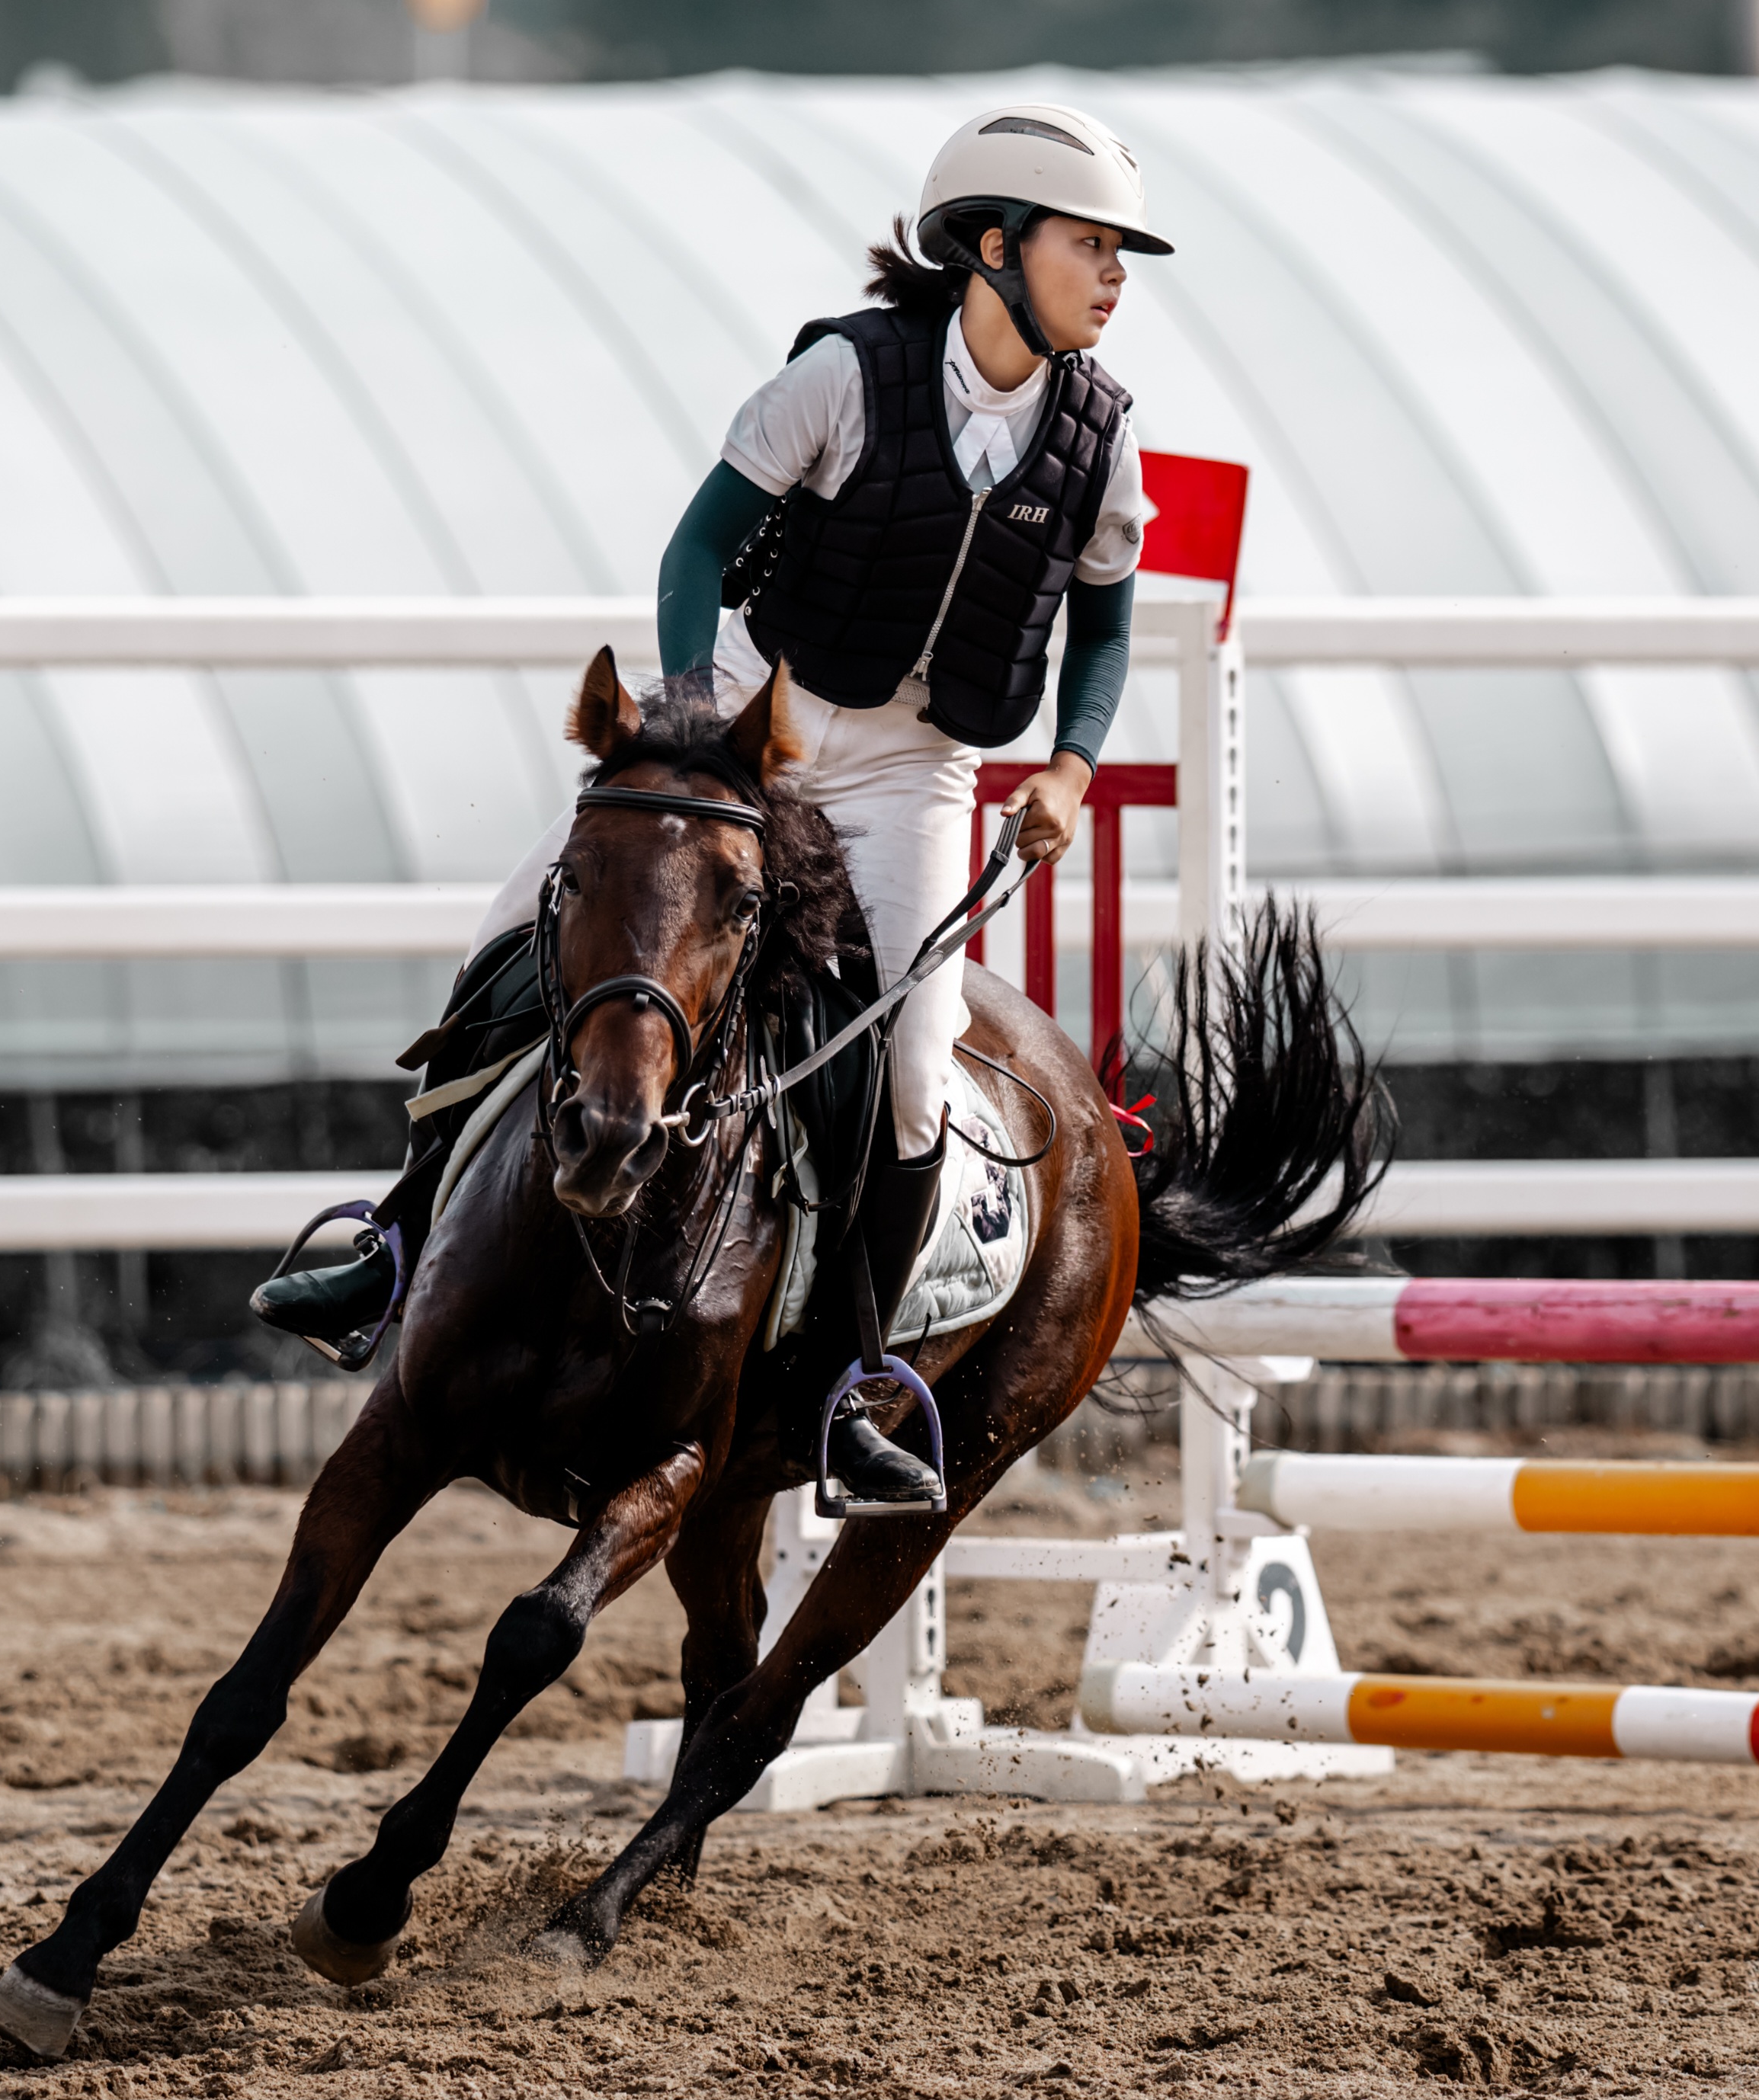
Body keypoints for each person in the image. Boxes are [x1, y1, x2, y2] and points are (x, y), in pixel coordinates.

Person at [256, 102, 1169, 1508]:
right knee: (525, 926)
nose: (1114, 275)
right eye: (1090, 245)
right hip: (767, 708)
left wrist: (1069, 765)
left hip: (920, 766)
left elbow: (1102, 636)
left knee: (915, 1063)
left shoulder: (1101, 437)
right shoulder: (845, 378)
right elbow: (697, 547)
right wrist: (700, 727)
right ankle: (389, 1243)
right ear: (994, 247)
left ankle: (864, 1381)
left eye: (1120, 252)